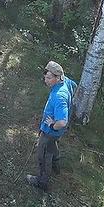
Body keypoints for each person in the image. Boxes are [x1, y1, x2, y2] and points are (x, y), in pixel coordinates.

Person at [26, 60, 77, 191]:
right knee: (52, 146)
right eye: (45, 76)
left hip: (50, 132)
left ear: (57, 77)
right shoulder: (66, 81)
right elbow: (74, 85)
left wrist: (51, 126)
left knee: (42, 155)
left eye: (49, 78)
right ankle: (56, 165)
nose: (45, 80)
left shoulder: (59, 96)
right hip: (56, 134)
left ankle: (42, 181)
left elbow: (62, 122)